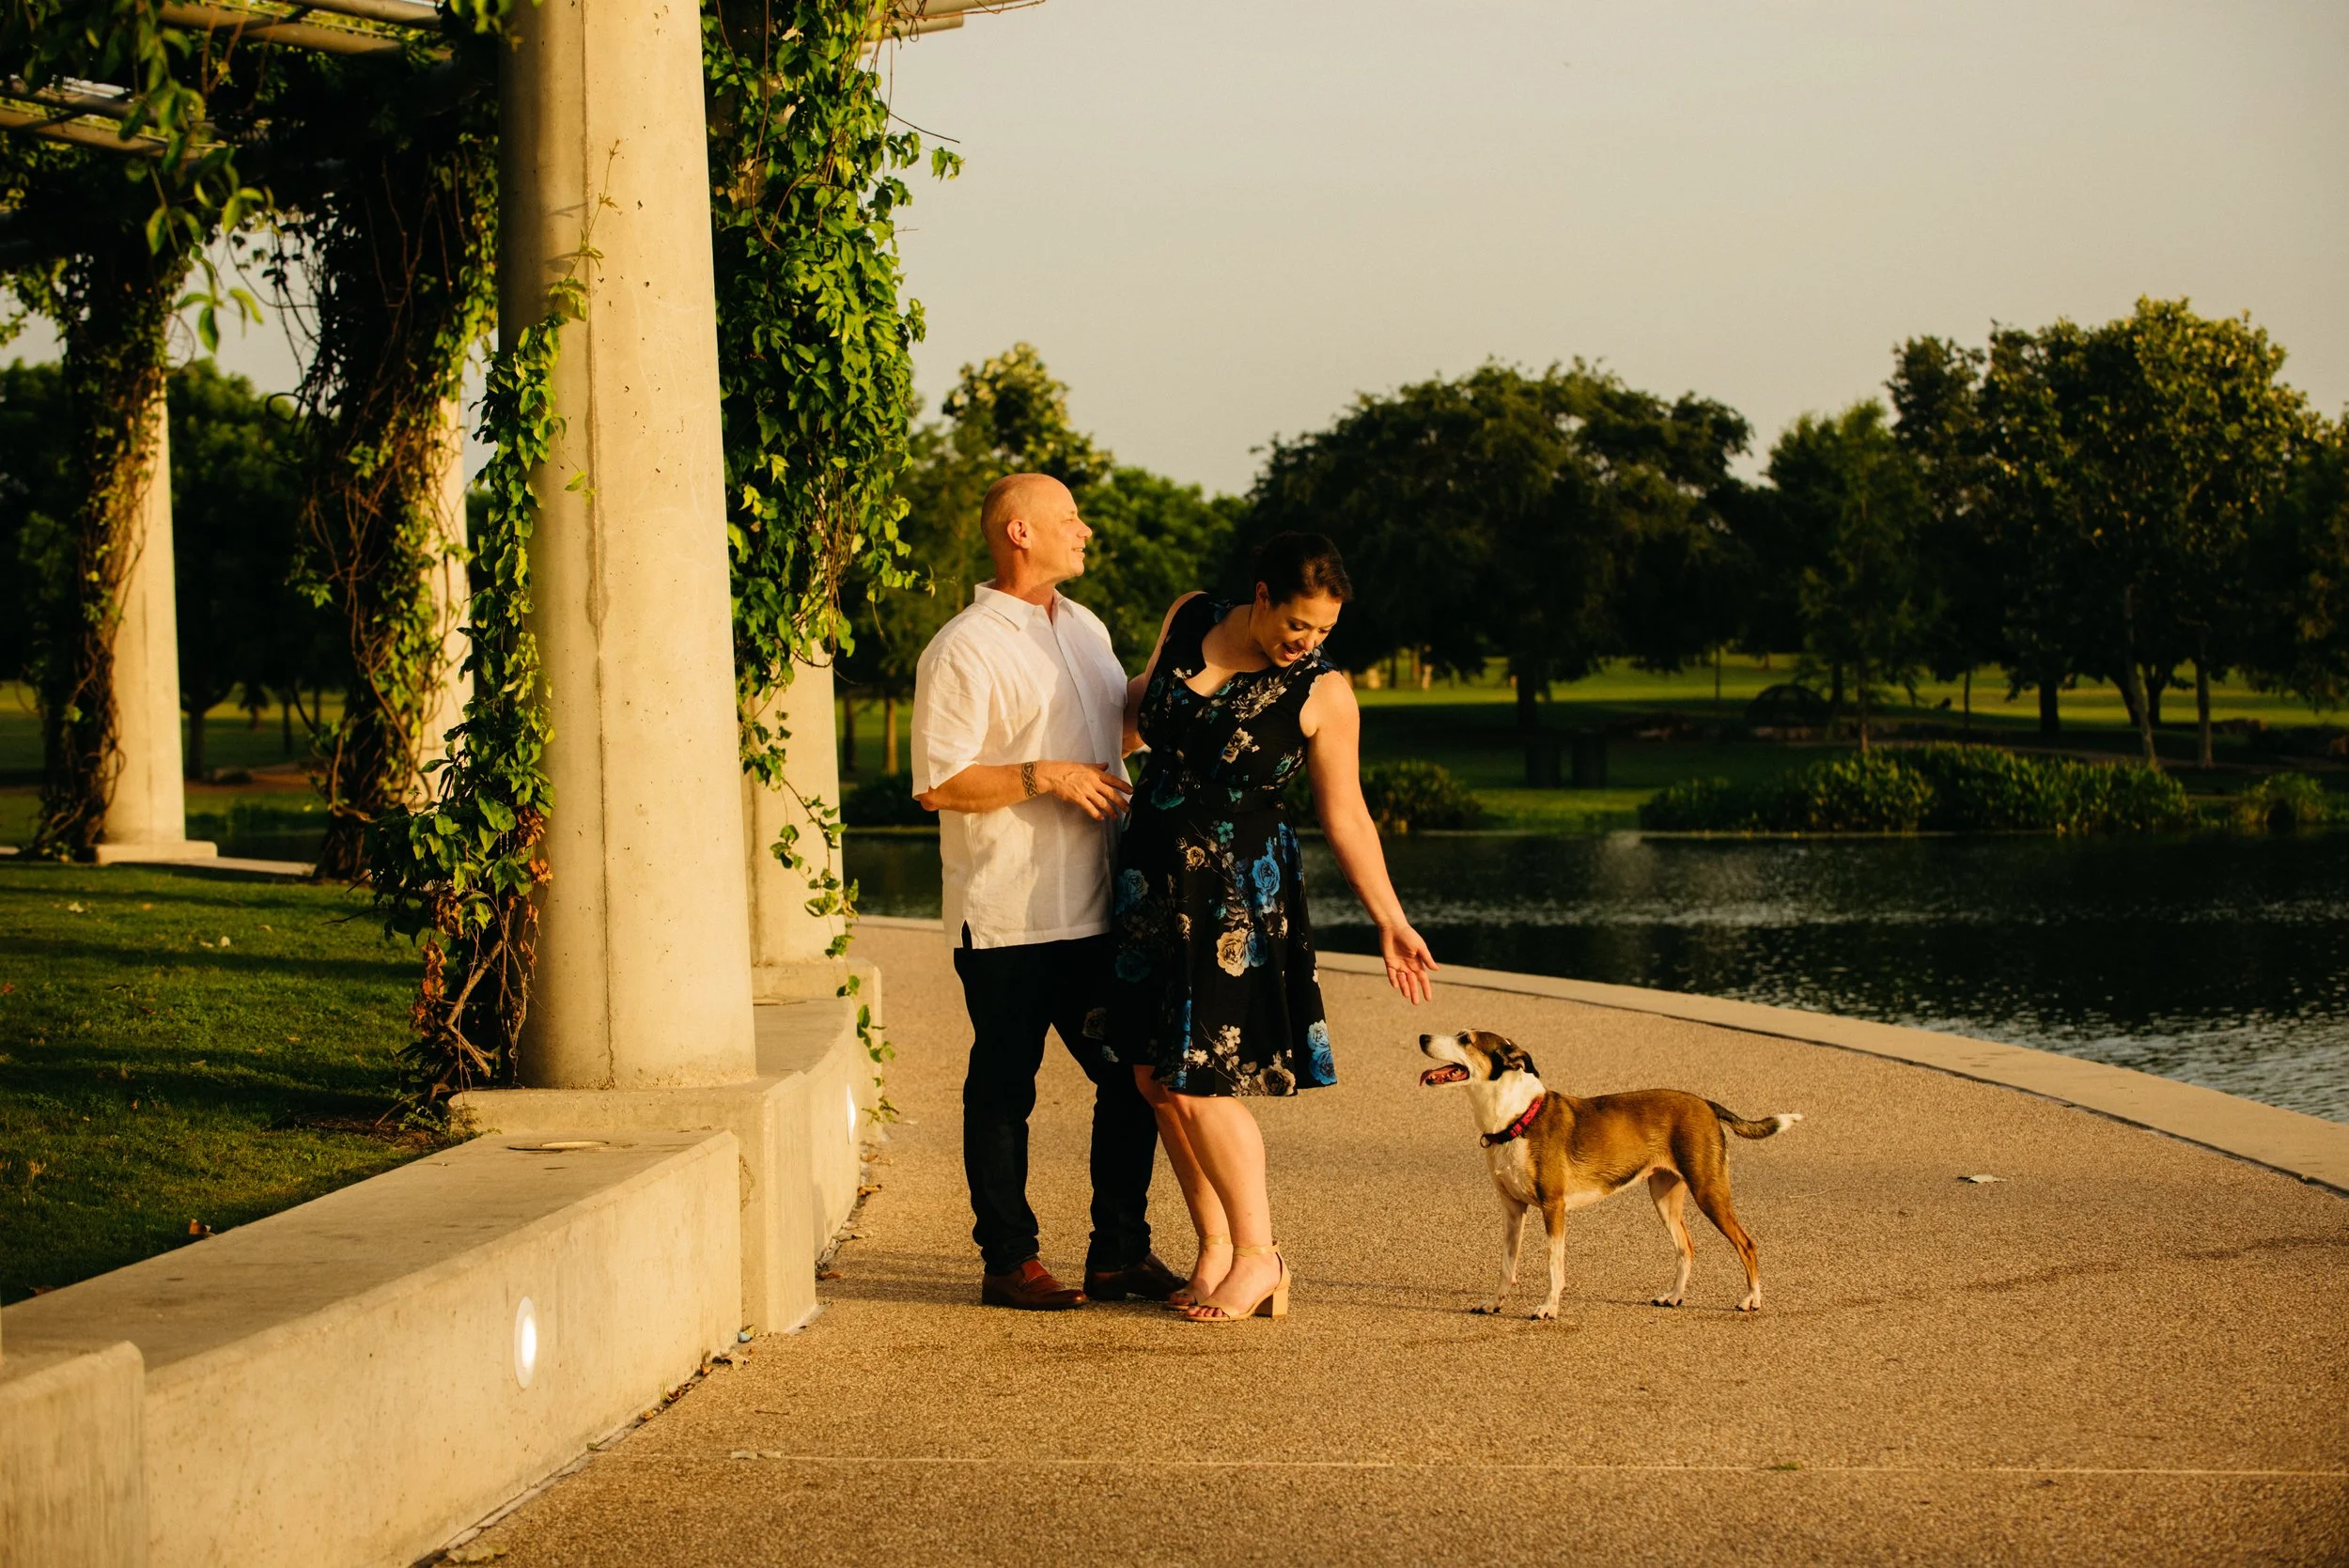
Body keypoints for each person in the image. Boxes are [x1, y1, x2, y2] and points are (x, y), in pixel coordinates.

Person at [1106, 533, 1438, 1323]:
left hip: (1234, 898)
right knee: (1155, 1076)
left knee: (1205, 1074)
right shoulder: (1190, 616)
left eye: (1323, 630)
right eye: (1298, 623)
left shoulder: (1324, 692)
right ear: (1261, 596)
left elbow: (1347, 814)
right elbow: (1138, 705)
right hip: (1150, 876)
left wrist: (1389, 919)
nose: (1308, 641)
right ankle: (1216, 1245)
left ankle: (1263, 1256)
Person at [910, 472, 1185, 1311]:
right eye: (1069, 518)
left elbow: (1114, 732)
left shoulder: (1088, 628)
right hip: (1010, 915)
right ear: (1018, 532)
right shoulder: (962, 646)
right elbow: (938, 783)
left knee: (1132, 1074)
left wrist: (1178, 676)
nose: (1086, 529)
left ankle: (1118, 1252)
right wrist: (1046, 775)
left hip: (1102, 905)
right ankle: (1008, 1260)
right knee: (1005, 1085)